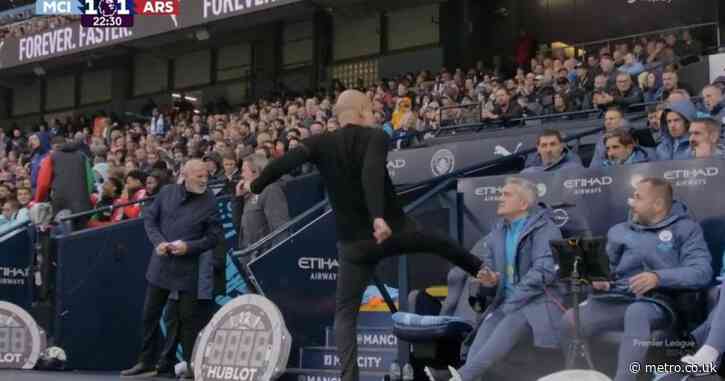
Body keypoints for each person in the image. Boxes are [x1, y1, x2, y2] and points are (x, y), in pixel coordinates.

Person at [247, 90, 485, 381]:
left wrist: (257, 185)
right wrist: (377, 217)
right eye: (371, 110)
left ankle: (349, 379)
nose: (374, 114)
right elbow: (370, 172)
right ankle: (483, 271)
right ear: (361, 111)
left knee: (345, 314)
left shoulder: (319, 142)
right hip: (392, 232)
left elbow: (283, 164)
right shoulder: (376, 136)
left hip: (354, 246)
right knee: (439, 242)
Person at [559, 178, 712, 381]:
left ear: (657, 205)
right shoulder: (619, 231)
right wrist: (601, 280)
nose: (631, 202)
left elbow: (701, 271)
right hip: (618, 298)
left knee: (637, 312)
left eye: (638, 198)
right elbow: (609, 269)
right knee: (570, 319)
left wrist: (658, 278)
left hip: (660, 301)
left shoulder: (686, 229)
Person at [424, 177, 563, 381]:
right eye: (501, 194)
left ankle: (457, 378)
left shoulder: (546, 228)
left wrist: (512, 302)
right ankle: (462, 376)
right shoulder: (497, 232)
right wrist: (488, 282)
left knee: (505, 326)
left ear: (523, 203)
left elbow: (544, 271)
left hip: (536, 303)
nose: (500, 198)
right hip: (504, 305)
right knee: (482, 337)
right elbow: (490, 272)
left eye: (507, 195)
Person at [121, 159, 222, 379]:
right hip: (161, 265)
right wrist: (158, 242)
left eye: (206, 176)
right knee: (150, 315)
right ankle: (146, 362)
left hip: (188, 268)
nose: (204, 180)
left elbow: (214, 237)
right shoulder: (166, 192)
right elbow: (150, 219)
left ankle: (190, 367)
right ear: (185, 175)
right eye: (199, 176)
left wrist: (189, 247)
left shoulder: (210, 200)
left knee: (188, 321)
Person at [236, 154, 289, 258]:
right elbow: (239, 225)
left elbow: (280, 228)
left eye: (243, 171)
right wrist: (238, 198)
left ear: (256, 171)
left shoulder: (270, 190)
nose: (241, 175)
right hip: (250, 255)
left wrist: (277, 257)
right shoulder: (250, 193)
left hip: (265, 257)